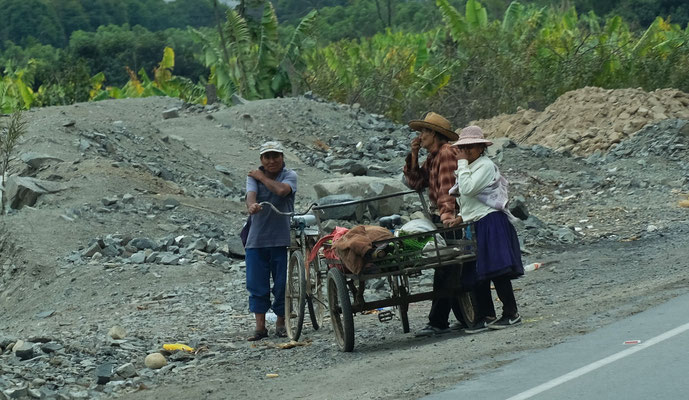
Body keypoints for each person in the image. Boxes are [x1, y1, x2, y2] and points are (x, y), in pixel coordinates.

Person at [446, 126, 524, 333]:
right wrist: (461, 217)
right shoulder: (469, 168)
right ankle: (486, 315)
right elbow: (471, 200)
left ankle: (511, 313)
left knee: (497, 269)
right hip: (476, 222)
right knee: (475, 272)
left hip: (490, 222)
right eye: (464, 148)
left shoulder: (484, 166)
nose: (467, 151)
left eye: (471, 147)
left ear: (481, 148)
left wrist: (461, 163)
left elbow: (469, 188)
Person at [403, 112, 468, 336]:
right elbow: (416, 182)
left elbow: (447, 190)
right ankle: (463, 317)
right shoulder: (432, 157)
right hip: (440, 215)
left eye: (424, 132)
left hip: (448, 216)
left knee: (447, 267)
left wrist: (447, 216)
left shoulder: (446, 153)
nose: (420, 136)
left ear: (434, 134)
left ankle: (438, 321)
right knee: (451, 267)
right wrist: (413, 153)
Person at [244, 141, 298, 341]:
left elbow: (282, 191)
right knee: (256, 284)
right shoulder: (252, 178)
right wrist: (251, 206)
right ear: (261, 160)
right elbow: (250, 196)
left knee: (282, 285)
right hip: (256, 240)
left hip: (282, 240)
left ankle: (281, 323)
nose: (272, 160)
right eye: (267, 157)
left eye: (275, 156)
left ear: (282, 157)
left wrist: (261, 177)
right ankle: (260, 327)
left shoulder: (290, 176)